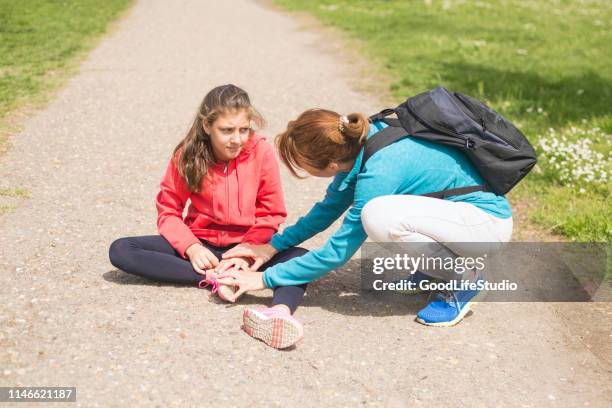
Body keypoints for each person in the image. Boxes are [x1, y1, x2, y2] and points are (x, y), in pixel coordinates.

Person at [219, 108, 513, 343]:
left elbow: (339, 251)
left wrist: (265, 279)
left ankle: (465, 278)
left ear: (331, 164)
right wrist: (271, 247)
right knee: (382, 214)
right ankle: (434, 272)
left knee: (377, 215)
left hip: (485, 226)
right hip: (457, 219)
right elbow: (327, 210)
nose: (300, 170)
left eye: (303, 165)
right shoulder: (361, 144)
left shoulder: (379, 170)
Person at [108, 85, 307, 349]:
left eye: (243, 130)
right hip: (203, 248)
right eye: (227, 130)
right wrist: (190, 248)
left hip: (247, 247)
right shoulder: (186, 155)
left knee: (301, 257)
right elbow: (168, 210)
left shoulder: (261, 152)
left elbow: (271, 212)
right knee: (122, 249)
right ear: (207, 126)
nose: (236, 139)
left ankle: (280, 311)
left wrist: (248, 253)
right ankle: (214, 279)